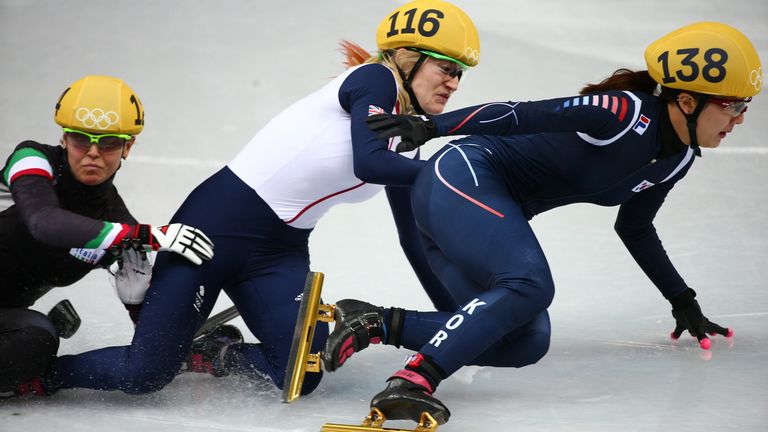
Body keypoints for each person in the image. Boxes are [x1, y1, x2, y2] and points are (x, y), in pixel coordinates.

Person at [322, 22, 761, 425]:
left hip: (474, 211)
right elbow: (520, 115)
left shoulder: (677, 160)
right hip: (463, 173)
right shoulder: (622, 112)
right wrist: (431, 126)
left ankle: (375, 322)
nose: (740, 119)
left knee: (525, 341)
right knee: (530, 284)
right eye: (733, 106)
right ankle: (413, 381)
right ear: (687, 100)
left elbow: (636, 228)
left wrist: (683, 300)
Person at [36, 0, 481, 397]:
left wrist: (457, 322)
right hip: (215, 229)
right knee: (144, 373)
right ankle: (34, 376)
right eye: (446, 68)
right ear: (408, 58)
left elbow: (415, 239)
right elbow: (368, 163)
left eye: (460, 73)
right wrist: (446, 174)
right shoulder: (374, 79)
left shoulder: (410, 143)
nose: (454, 83)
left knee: (300, 375)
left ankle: (213, 354)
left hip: (278, 251)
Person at [0, 75, 214, 396]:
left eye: (110, 142)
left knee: (39, 337)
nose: (93, 153)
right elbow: (44, 222)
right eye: (80, 140)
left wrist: (137, 304)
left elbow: (147, 341)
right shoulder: (32, 159)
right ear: (64, 139)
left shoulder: (117, 222)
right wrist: (152, 236)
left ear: (128, 146)